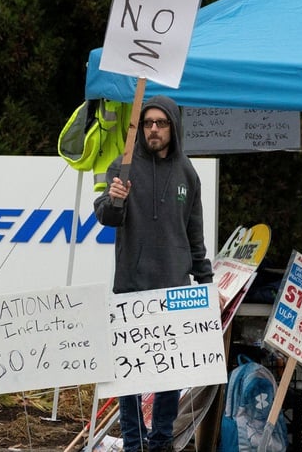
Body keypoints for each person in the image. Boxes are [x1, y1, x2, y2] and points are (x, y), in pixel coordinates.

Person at [93, 95, 212, 452]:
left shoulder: (188, 172)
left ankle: (161, 440)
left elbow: (195, 233)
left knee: (170, 373)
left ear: (173, 128)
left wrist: (206, 281)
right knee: (129, 372)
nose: (154, 129)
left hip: (174, 287)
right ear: (140, 128)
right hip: (131, 284)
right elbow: (107, 217)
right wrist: (114, 199)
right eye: (148, 123)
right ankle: (134, 440)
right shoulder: (123, 165)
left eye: (161, 123)